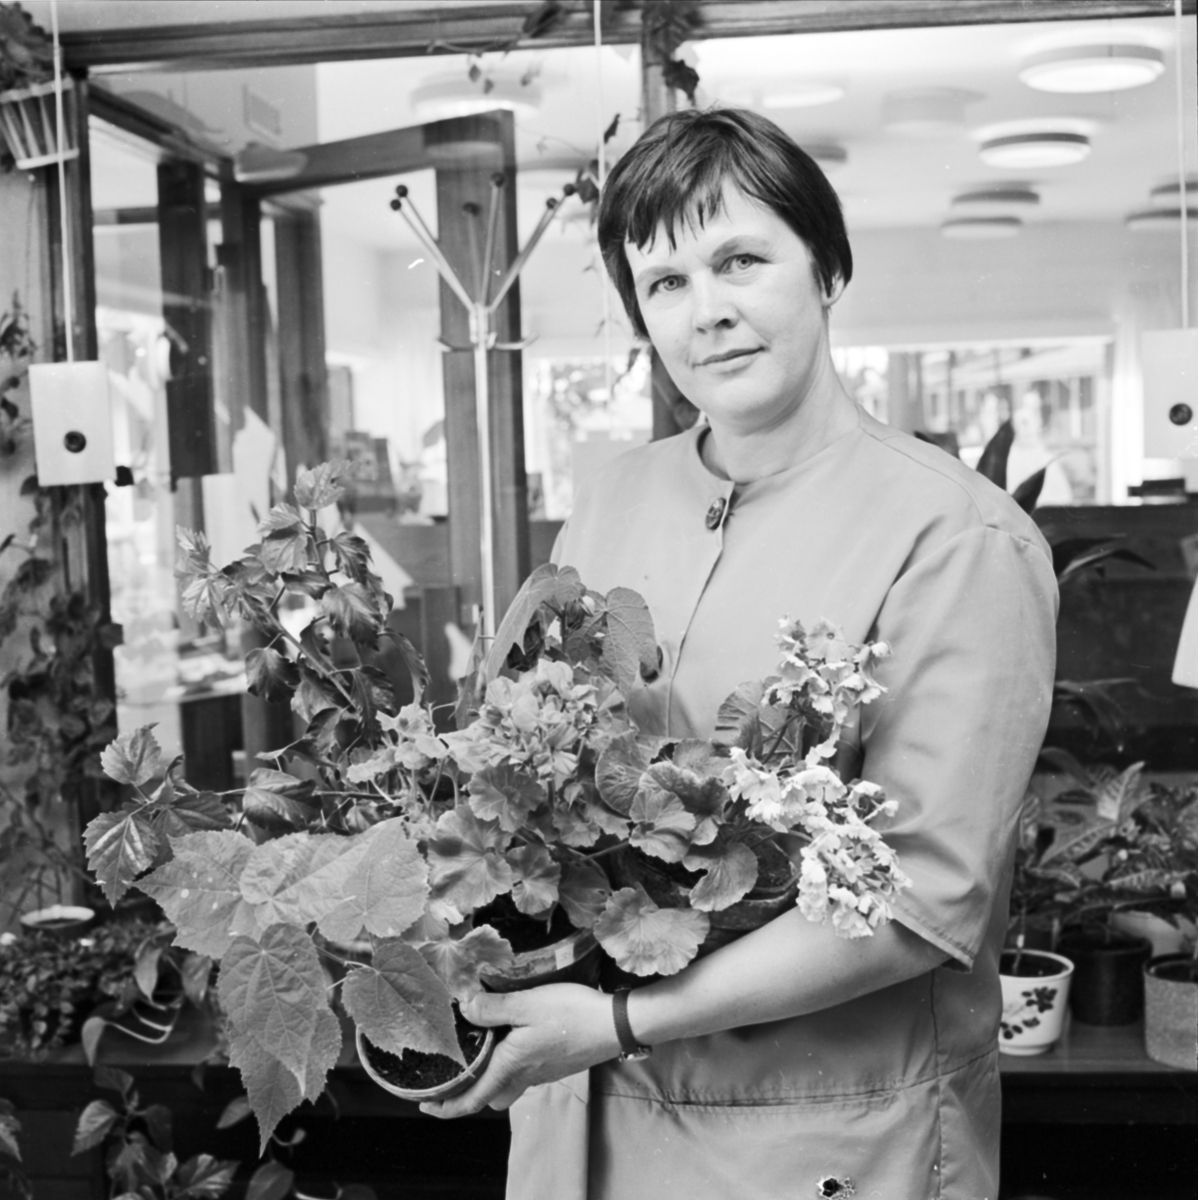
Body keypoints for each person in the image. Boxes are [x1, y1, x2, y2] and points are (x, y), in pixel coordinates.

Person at [421, 108, 1058, 1200]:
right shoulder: (613, 497)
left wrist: (620, 1021)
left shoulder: (957, 535)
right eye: (663, 284)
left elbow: (917, 901)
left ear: (826, 269)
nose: (705, 312)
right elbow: (535, 778)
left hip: (815, 1143)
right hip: (580, 1130)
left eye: (740, 260)